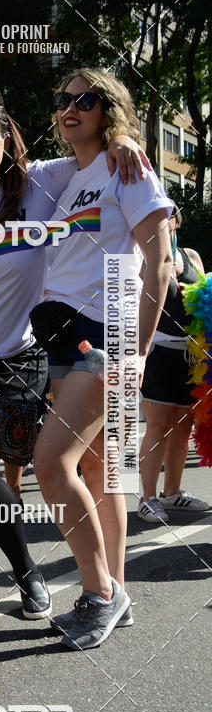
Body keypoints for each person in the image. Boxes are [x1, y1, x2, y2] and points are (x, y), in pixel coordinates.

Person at [0, 89, 147, 620]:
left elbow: (94, 148)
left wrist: (127, 140)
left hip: (14, 358)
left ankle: (29, 576)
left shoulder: (44, 182)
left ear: (7, 140)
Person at [32, 67, 173, 650]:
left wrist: (135, 352)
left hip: (105, 333)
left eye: (84, 100)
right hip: (64, 334)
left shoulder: (126, 166)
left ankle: (98, 594)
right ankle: (116, 589)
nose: (70, 107)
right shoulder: (70, 176)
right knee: (98, 468)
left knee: (50, 463)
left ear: (108, 108)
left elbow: (159, 261)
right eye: (62, 99)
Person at [138, 207, 209, 521]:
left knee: (183, 427)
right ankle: (147, 497)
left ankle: (172, 494)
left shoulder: (191, 255)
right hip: (158, 352)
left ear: (176, 220)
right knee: (158, 426)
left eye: (167, 215)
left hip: (191, 356)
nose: (162, 220)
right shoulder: (143, 258)